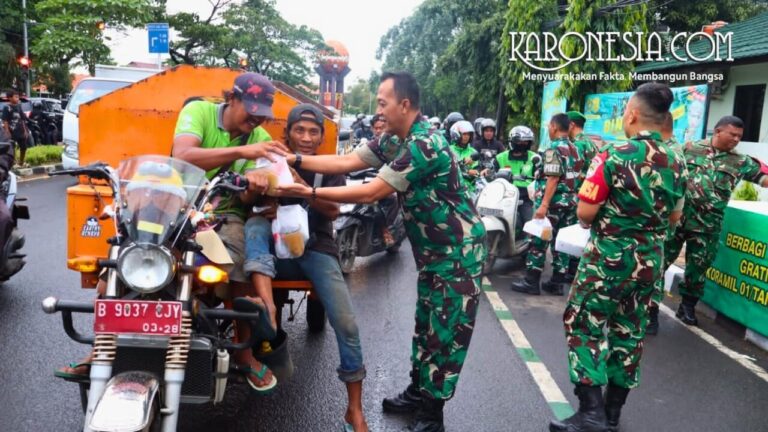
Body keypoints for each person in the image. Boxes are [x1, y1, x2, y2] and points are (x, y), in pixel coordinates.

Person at [277, 71, 486, 432]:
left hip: (459, 254)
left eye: (382, 102)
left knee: (446, 331)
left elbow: (371, 192)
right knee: (426, 324)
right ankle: (419, 392)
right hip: (435, 253)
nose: (378, 109)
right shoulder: (394, 139)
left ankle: (432, 412)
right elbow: (346, 163)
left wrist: (308, 193)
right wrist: (295, 161)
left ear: (404, 105)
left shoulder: (425, 145)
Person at [550, 83, 687, 432]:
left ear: (633, 114)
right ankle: (612, 415)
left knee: (583, 325)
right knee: (629, 332)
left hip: (607, 260)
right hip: (650, 264)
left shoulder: (614, 153)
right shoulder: (678, 160)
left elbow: (585, 212)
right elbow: (674, 218)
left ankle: (591, 413)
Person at [244, 103, 368, 431]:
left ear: (321, 137)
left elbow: (333, 210)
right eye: (300, 130)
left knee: (347, 324)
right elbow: (250, 201)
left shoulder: (329, 167)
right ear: (288, 133)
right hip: (271, 251)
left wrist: (302, 187)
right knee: (254, 225)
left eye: (313, 132)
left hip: (315, 249)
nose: (306, 137)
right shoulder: (270, 158)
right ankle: (267, 313)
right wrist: (264, 204)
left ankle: (354, 410)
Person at [172, 72, 289, 392]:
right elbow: (182, 156)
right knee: (130, 254)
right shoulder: (198, 112)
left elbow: (247, 200)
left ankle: (244, 354)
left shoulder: (260, 136)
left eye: (261, 112)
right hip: (179, 208)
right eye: (250, 107)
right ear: (232, 98)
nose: (255, 117)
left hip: (225, 216)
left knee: (239, 272)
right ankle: (102, 348)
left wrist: (257, 185)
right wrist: (242, 153)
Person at [663, 115, 768, 327]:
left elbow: (764, 179)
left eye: (740, 136)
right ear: (718, 131)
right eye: (732, 134)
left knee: (698, 268)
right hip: (677, 219)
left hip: (708, 226)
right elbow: (668, 172)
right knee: (661, 260)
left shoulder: (741, 161)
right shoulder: (689, 148)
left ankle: (687, 307)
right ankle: (650, 307)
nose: (736, 139)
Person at [510, 113, 578, 296]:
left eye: (549, 126)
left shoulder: (553, 150)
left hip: (553, 204)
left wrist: (544, 205)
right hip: (570, 203)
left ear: (554, 127)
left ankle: (531, 282)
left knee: (538, 241)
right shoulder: (574, 148)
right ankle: (556, 283)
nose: (548, 129)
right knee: (561, 244)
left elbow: (553, 179)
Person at [647, 112, 684, 335]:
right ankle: (649, 314)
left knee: (654, 270)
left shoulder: (669, 152)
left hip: (659, 225)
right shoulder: (679, 151)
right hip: (665, 224)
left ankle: (651, 315)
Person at [565, 111, 598, 283]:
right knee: (579, 232)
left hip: (576, 193)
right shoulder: (591, 144)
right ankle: (573, 268)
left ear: (571, 125)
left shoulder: (577, 145)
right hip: (588, 194)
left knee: (569, 231)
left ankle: (569, 270)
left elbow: (573, 172)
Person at [493, 125, 538, 223]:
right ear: (512, 141)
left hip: (526, 198)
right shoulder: (500, 158)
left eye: (526, 142)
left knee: (530, 223)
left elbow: (540, 178)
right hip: (503, 196)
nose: (523, 144)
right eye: (520, 141)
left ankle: (528, 238)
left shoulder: (534, 158)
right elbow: (492, 175)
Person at [449, 120, 480, 193]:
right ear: (456, 134)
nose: (466, 136)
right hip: (451, 189)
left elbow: (478, 171)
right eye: (464, 134)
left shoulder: (473, 152)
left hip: (469, 190)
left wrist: (477, 173)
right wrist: (465, 168)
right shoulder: (449, 150)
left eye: (468, 134)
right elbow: (448, 168)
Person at [1, 90, 29, 167]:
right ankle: (13, 163)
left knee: (23, 147)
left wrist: (25, 130)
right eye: (15, 97)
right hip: (11, 131)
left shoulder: (19, 106)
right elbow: (5, 120)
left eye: (18, 97)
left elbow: (22, 119)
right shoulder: (7, 107)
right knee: (12, 148)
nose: (17, 99)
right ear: (10, 98)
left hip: (20, 130)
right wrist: (7, 132)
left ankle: (21, 162)